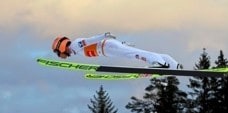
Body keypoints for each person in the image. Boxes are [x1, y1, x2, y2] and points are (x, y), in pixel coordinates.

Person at [52, 32, 183, 69]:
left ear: (62, 47)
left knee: (133, 55)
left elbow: (90, 40)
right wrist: (122, 44)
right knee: (134, 53)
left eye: (58, 53)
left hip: (107, 47)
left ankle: (159, 64)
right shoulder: (75, 49)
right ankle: (171, 63)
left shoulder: (75, 45)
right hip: (108, 48)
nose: (60, 56)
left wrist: (103, 36)